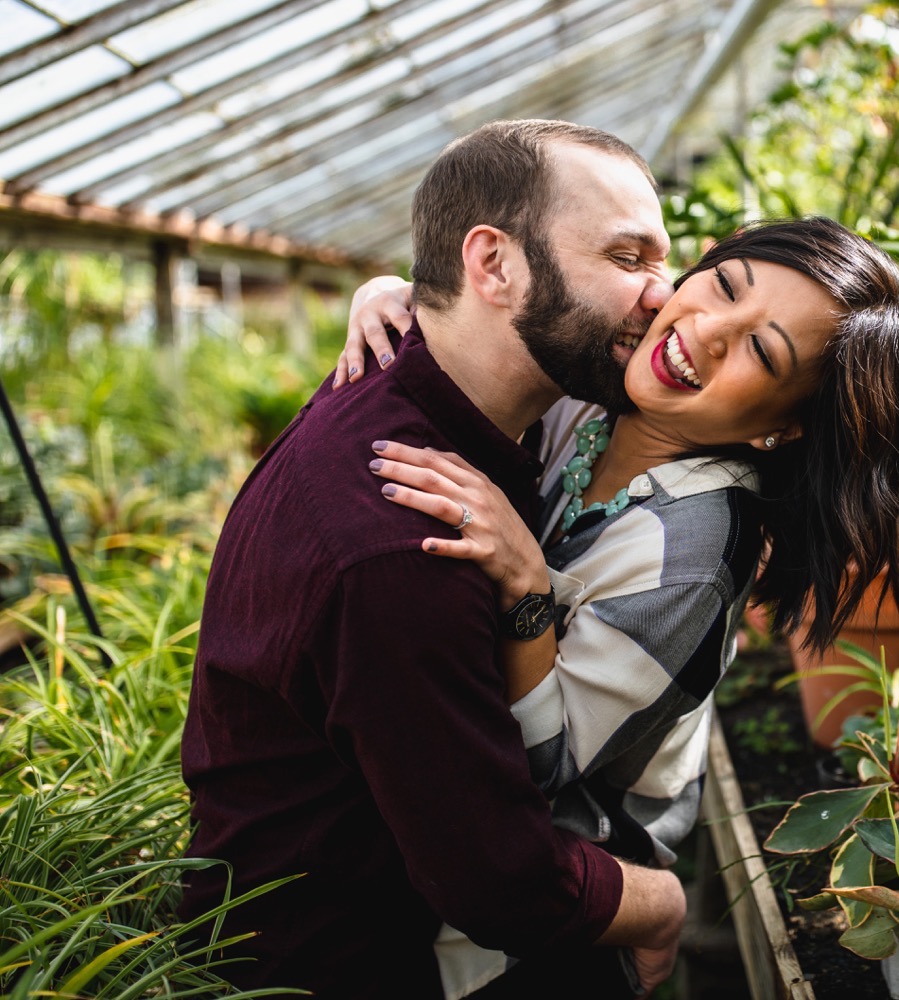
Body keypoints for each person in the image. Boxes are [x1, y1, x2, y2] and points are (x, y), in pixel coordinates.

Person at [338, 216, 899, 996]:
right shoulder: (604, 391)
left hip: (549, 930)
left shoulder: (691, 561)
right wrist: (395, 301)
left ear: (784, 428)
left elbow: (536, 762)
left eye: (761, 351)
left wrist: (527, 585)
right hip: (455, 874)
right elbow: (488, 335)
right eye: (722, 286)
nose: (709, 331)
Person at [179, 119, 691, 1000]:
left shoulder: (420, 386)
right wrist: (662, 902)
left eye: (664, 259)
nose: (664, 294)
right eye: (629, 256)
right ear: (492, 265)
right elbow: (501, 879)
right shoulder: (407, 539)